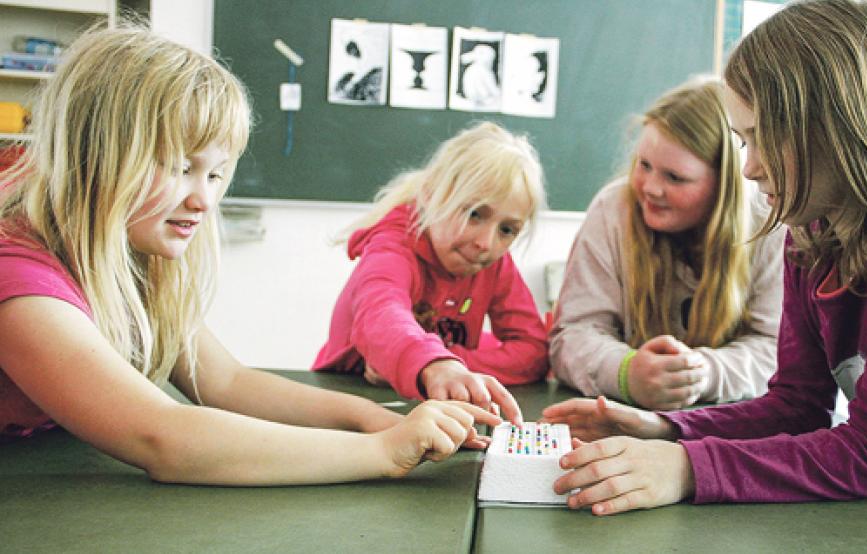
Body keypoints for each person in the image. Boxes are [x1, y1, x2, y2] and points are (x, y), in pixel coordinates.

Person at [0, 24, 500, 485]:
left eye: (215, 174)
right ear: (95, 155)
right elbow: (162, 437)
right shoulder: (18, 279)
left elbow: (227, 382)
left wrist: (372, 419)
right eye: (180, 167)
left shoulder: (135, 261)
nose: (204, 200)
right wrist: (384, 452)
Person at [542, 0, 867, 515]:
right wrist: (668, 429)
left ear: (832, 127)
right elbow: (797, 407)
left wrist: (686, 467)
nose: (748, 169)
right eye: (741, 141)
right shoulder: (809, 234)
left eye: (760, 139)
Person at [550, 77, 784, 411]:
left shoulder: (769, 226)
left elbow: (777, 350)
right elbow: (573, 335)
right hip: (625, 415)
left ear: (723, 187)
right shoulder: (613, 209)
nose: (650, 188)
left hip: (728, 424)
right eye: (644, 165)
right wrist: (627, 372)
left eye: (675, 178)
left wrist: (699, 373)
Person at [312, 121, 548, 424]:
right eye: (475, 214)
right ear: (432, 195)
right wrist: (432, 364)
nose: (486, 243)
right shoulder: (393, 246)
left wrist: (448, 364)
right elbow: (380, 313)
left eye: (507, 230)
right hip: (347, 407)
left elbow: (533, 351)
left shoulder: (494, 263)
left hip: (432, 409)